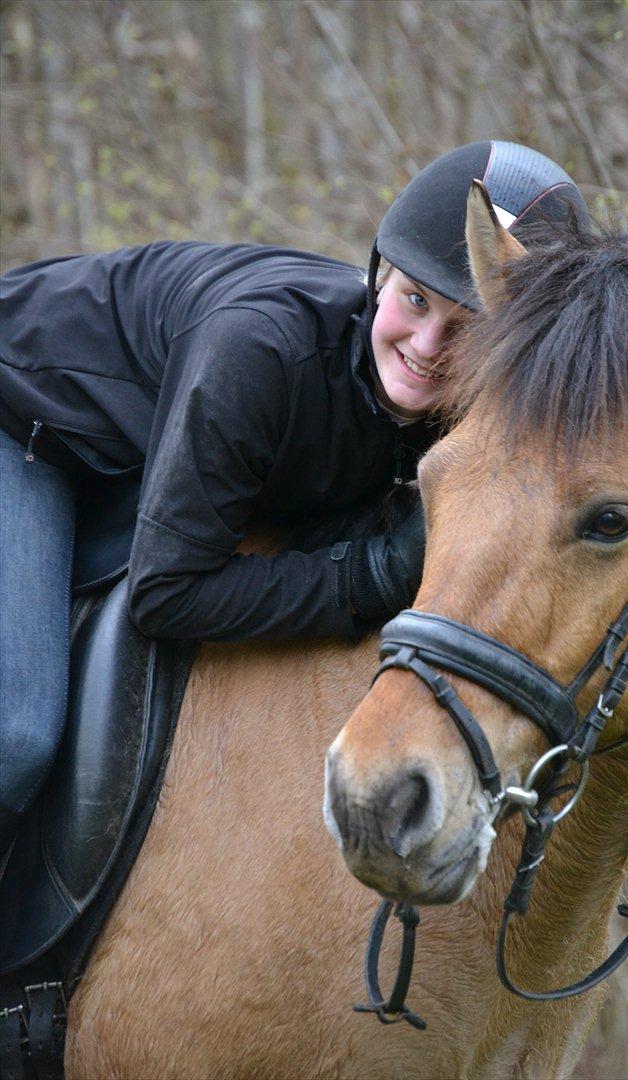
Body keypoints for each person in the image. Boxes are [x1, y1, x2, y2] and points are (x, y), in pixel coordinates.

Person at [0, 140, 590, 862]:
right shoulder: (257, 354)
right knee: (16, 735)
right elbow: (167, 593)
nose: (430, 345)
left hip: (140, 423)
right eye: (414, 299)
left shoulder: (467, 399)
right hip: (23, 415)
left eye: (468, 326)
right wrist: (370, 574)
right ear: (380, 280)